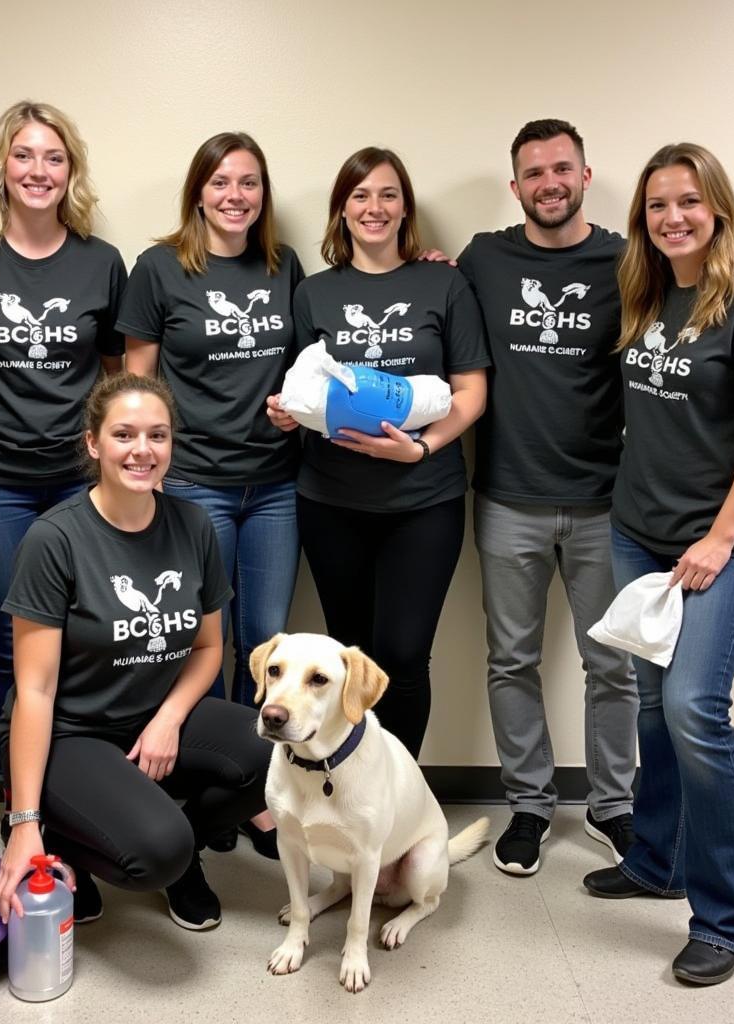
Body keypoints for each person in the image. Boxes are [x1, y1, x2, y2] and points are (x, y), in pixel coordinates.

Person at [448, 119, 734, 878]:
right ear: (518, 186)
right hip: (513, 495)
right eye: (534, 172)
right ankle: (531, 806)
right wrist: (422, 268)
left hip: (610, 502)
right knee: (512, 659)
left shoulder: (630, 262)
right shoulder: (484, 258)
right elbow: (434, 300)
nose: (549, 182)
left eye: (562, 168)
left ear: (584, 175)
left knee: (615, 665)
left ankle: (615, 805)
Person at [583, 143, 734, 986]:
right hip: (639, 529)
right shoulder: (645, 291)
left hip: (724, 542)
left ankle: (729, 918)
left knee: (694, 708)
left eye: (689, 202)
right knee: (649, 701)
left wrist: (717, 537)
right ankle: (657, 861)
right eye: (657, 205)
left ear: (717, 207)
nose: (673, 217)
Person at [0, 372, 271, 930]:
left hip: (152, 716)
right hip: (70, 733)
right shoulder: (56, 539)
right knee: (156, 853)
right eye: (124, 434)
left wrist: (169, 718)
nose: (143, 450)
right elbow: (36, 689)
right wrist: (23, 821)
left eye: (158, 435)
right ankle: (59, 837)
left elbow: (209, 645)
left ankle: (182, 850)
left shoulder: (193, 524)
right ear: (93, 444)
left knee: (276, 755)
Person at [272, 146, 490, 761]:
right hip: (330, 501)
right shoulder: (314, 293)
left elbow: (472, 392)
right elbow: (302, 387)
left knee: (400, 657)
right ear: (341, 210)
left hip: (424, 501)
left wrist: (421, 449)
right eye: (360, 195)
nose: (374, 207)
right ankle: (347, 786)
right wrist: (286, 410)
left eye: (388, 194)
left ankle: (397, 790)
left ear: (405, 207)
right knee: (343, 660)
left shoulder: (445, 283)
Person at [119, 131, 303, 856]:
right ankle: (203, 794)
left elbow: (310, 367)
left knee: (264, 644)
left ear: (264, 193)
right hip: (195, 485)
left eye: (249, 182)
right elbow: (138, 385)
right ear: (199, 191)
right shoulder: (159, 269)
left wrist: (297, 405)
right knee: (200, 643)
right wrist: (151, 472)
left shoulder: (284, 267)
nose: (236, 196)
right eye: (222, 182)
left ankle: (254, 796)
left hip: (276, 485)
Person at [0, 101, 126, 785]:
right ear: (1, 165)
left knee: (87, 642)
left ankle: (82, 784)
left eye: (53, 157)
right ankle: (21, 795)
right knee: (12, 648)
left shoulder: (101, 262)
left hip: (80, 484)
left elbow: (115, 373)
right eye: (24, 155)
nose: (37, 170)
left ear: (70, 171)